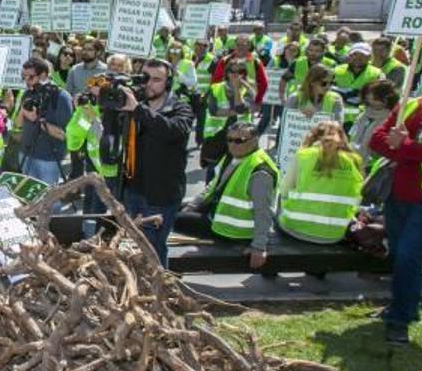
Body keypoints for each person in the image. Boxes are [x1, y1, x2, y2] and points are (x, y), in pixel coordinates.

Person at [369, 51, 422, 344]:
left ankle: (400, 320)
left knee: (409, 255)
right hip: (397, 193)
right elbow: (377, 138)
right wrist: (405, 149)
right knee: (400, 254)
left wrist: (406, 147)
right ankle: (401, 306)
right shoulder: (411, 104)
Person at [120, 59, 194, 267]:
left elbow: (171, 131)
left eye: (156, 80)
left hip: (162, 194)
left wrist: (137, 110)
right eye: (145, 78)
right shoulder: (135, 105)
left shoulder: (181, 108)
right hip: (134, 189)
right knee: (136, 243)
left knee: (154, 246)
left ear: (168, 83)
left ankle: (161, 288)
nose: (149, 84)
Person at [179, 122, 278, 269]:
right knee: (173, 207)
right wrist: (192, 206)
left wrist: (259, 247)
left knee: (171, 219)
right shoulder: (232, 158)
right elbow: (212, 187)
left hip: (235, 232)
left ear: (255, 140)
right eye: (229, 140)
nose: (232, 144)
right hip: (220, 218)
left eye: (239, 141)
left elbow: (262, 211)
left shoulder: (260, 172)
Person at [277, 121, 363, 244]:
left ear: (312, 136)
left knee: (280, 198)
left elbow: (284, 189)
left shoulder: (304, 156)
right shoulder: (354, 160)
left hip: (294, 227)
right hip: (334, 234)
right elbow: (357, 198)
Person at [67, 73, 121, 238]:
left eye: (100, 83)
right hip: (95, 170)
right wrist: (83, 115)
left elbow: (108, 137)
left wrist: (95, 120)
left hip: (116, 173)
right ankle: (91, 240)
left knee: (116, 214)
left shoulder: (119, 109)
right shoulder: (87, 110)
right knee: (93, 212)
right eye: (92, 83)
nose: (95, 87)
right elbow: (73, 138)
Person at [14, 58, 72, 186]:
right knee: (27, 197)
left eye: (30, 77)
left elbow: (63, 134)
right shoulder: (28, 93)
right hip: (26, 153)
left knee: (49, 200)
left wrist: (37, 120)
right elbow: (18, 124)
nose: (26, 81)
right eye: (23, 77)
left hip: (49, 158)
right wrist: (23, 111)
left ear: (43, 75)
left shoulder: (61, 96)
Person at [333, 43, 384, 127]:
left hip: (363, 120)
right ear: (349, 55)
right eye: (355, 54)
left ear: (369, 57)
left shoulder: (377, 74)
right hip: (338, 118)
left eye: (363, 55)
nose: (358, 58)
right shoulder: (336, 70)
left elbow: (379, 99)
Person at [350, 79, 398, 165]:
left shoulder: (391, 120)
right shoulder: (363, 114)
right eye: (368, 98)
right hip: (352, 161)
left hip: (373, 165)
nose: (371, 102)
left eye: (375, 99)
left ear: (387, 99)